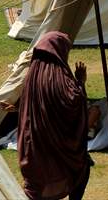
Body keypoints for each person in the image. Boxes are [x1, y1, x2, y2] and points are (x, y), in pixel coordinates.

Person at [17, 31, 91, 200]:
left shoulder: (32, 75)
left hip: (33, 147)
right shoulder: (59, 78)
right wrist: (80, 82)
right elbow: (73, 104)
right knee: (82, 165)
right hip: (56, 148)